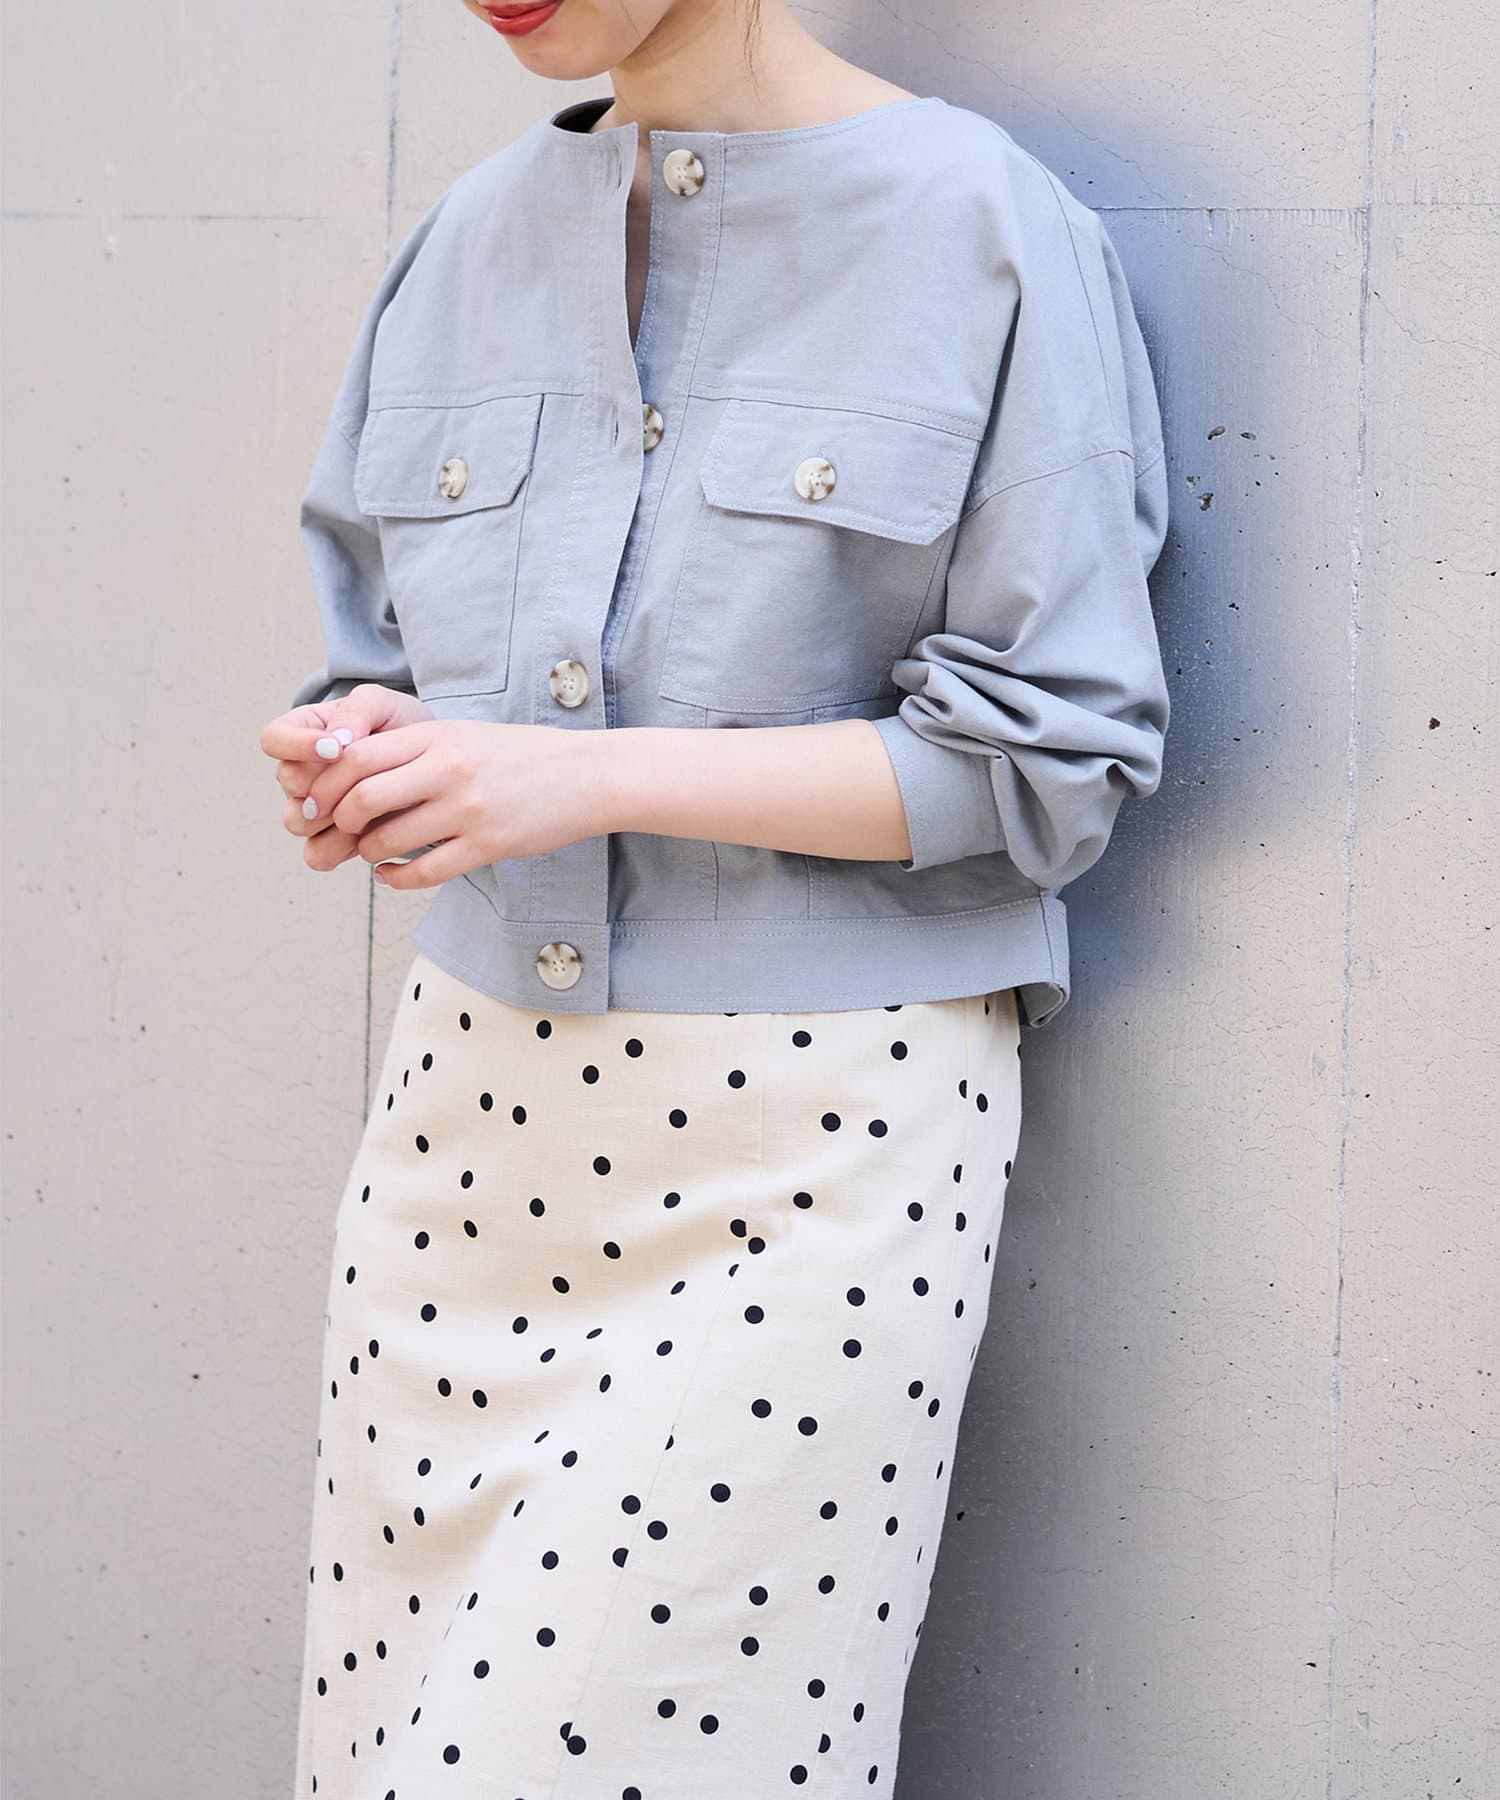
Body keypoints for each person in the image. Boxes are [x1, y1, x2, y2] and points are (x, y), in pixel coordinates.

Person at [261, 0, 1172, 1793]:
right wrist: (363, 750)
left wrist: (582, 777)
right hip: (459, 1144)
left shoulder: (982, 227)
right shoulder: (462, 243)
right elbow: (378, 653)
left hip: (806, 1162)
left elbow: (1053, 762)